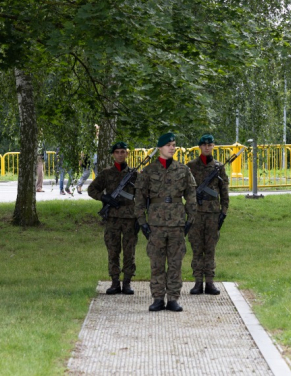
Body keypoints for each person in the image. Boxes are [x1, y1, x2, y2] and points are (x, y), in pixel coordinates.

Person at [134, 132, 196, 312]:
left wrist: (191, 218)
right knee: (157, 263)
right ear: (160, 148)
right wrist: (142, 221)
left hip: (177, 223)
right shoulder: (148, 171)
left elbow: (191, 195)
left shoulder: (183, 170)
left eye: (174, 144)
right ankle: (158, 297)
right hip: (156, 224)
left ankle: (173, 298)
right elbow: (139, 197)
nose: (172, 148)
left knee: (176, 263)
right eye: (168, 145)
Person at [88, 142, 139, 295]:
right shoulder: (106, 173)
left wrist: (139, 217)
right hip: (112, 218)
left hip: (130, 218)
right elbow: (91, 189)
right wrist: (104, 197)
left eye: (123, 152)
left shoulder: (135, 174)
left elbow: (143, 195)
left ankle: (127, 282)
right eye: (117, 152)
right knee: (113, 250)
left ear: (127, 154)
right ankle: (115, 282)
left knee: (129, 251)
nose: (120, 155)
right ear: (113, 154)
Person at [186, 134, 229, 295]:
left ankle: (210, 282)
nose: (207, 147)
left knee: (210, 249)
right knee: (197, 248)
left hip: (212, 214)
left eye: (209, 145)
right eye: (204, 145)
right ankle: (198, 282)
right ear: (199, 147)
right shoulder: (191, 166)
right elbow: (186, 190)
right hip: (196, 214)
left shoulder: (218, 167)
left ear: (213, 146)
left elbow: (224, 192)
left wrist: (223, 213)